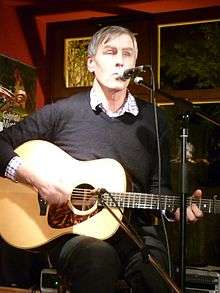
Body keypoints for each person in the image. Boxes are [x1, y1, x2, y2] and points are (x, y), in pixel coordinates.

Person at [0, 25, 203, 293]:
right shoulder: (61, 112)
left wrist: (176, 208)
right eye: (111, 52)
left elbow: (159, 188)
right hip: (72, 232)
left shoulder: (154, 120)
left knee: (157, 276)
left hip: (135, 233)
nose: (120, 60)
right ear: (91, 63)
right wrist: (37, 180)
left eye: (128, 54)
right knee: (98, 261)